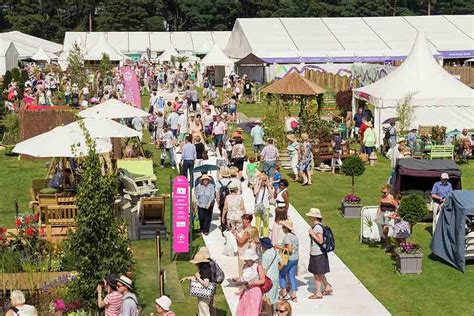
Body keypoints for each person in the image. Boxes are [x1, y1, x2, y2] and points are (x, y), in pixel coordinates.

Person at [306, 208, 333, 299]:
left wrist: (311, 233)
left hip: (317, 254)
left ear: (314, 217)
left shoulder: (317, 227)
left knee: (316, 273)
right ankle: (327, 286)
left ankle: (318, 293)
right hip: (319, 253)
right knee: (320, 272)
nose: (309, 217)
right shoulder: (319, 226)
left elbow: (320, 241)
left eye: (310, 216)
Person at [181, 250, 216, 316]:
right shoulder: (204, 268)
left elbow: (206, 284)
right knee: (206, 309)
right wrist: (187, 278)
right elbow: (198, 277)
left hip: (205, 294)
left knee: (204, 310)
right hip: (207, 293)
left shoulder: (205, 270)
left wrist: (199, 278)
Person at [235, 249, 266, 316]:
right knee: (242, 309)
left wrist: (253, 283)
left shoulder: (258, 267)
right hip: (245, 290)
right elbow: (242, 278)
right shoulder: (245, 266)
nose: (245, 261)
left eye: (247, 259)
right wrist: (237, 279)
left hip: (255, 291)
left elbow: (262, 280)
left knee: (252, 311)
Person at [278, 220, 299, 302]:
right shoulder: (294, 236)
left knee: (282, 274)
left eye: (283, 227)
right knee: (292, 276)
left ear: (286, 228)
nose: (282, 228)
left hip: (288, 259)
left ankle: (284, 293)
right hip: (295, 258)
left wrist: (279, 247)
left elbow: (289, 250)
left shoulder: (287, 237)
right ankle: (294, 295)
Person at [378, 184, 399, 252]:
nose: (383, 193)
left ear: (388, 190)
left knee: (386, 230)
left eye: (384, 192)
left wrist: (395, 214)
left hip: (389, 214)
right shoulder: (381, 197)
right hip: (382, 215)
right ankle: (388, 244)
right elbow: (380, 206)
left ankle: (396, 245)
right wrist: (377, 214)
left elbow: (397, 206)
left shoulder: (391, 197)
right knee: (384, 232)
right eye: (382, 192)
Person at [260, 237, 281, 307]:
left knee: (267, 300)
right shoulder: (275, 252)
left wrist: (261, 280)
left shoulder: (265, 255)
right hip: (276, 276)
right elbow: (281, 263)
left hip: (268, 278)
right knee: (274, 298)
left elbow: (264, 269)